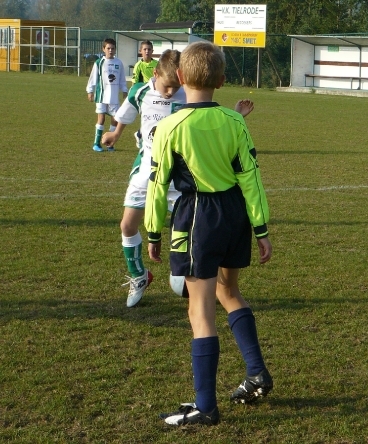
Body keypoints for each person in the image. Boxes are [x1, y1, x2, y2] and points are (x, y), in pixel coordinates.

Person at [144, 41, 272, 427]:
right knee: (228, 291)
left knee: (199, 310)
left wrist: (152, 232)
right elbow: (251, 177)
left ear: (180, 78)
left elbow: (156, 184)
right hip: (234, 214)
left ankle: (206, 406)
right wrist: (261, 227)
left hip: (198, 216)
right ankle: (257, 373)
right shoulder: (236, 122)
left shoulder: (169, 126)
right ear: (221, 79)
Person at [102, 49, 255, 308]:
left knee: (188, 252)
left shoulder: (188, 91)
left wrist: (235, 113)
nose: (172, 92)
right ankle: (140, 276)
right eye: (168, 86)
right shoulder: (139, 91)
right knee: (127, 226)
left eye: (176, 86)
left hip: (178, 179)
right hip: (146, 173)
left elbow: (207, 116)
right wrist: (115, 135)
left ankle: (211, 281)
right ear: (156, 73)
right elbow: (126, 115)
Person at [86, 38, 128, 152]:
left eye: (112, 48)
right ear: (103, 49)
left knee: (115, 119)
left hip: (113, 96)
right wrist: (90, 91)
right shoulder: (99, 63)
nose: (110, 50)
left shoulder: (118, 63)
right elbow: (93, 78)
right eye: (108, 48)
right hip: (101, 95)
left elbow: (122, 79)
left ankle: (110, 143)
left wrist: (124, 90)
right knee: (101, 118)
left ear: (115, 50)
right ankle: (96, 143)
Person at [131, 40, 159, 150]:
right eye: (145, 49)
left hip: (156, 94)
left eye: (149, 49)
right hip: (144, 96)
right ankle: (142, 136)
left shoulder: (157, 64)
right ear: (140, 51)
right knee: (147, 117)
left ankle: (140, 134)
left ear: (152, 51)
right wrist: (133, 97)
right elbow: (134, 83)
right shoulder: (138, 65)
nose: (147, 51)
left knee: (155, 117)